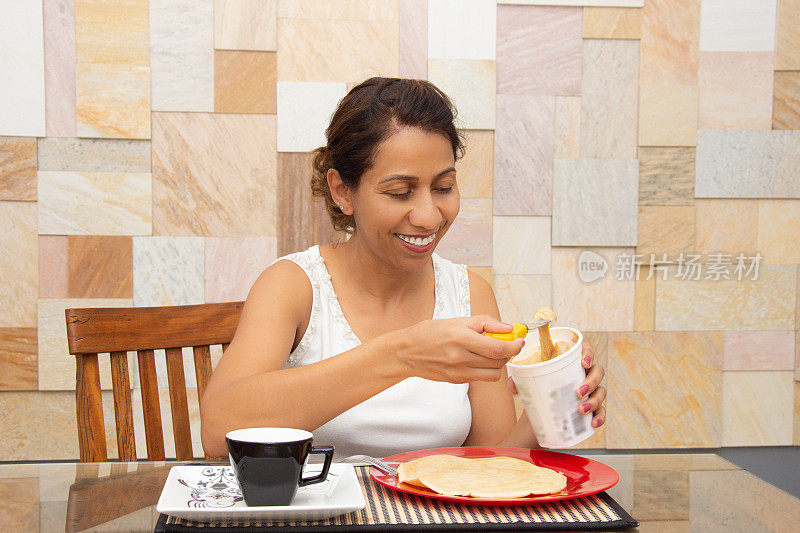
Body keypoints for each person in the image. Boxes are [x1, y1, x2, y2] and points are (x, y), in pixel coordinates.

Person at [200, 77, 606, 459]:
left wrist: (553, 406)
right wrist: (403, 356)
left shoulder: (469, 292)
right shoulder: (294, 285)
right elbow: (219, 431)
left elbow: (493, 459)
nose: (429, 216)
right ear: (343, 191)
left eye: (444, 187)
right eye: (399, 192)